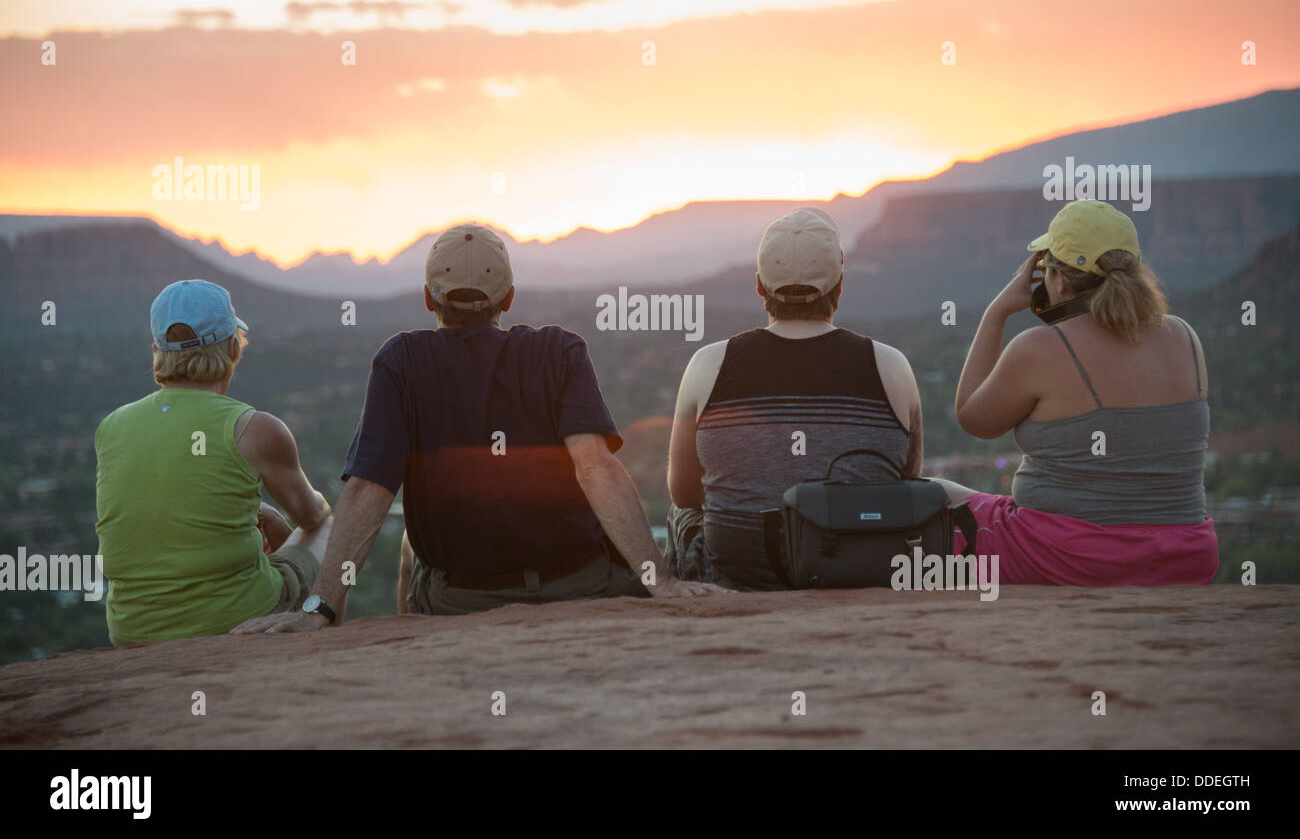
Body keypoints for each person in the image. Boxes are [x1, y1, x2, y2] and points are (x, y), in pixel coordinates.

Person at [234, 223, 725, 634]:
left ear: (429, 298)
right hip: (582, 585)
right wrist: (660, 581)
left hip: (461, 599)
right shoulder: (559, 351)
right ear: (508, 297)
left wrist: (319, 608)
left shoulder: (403, 361)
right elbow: (597, 468)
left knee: (409, 546)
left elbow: (369, 490)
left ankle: (419, 655)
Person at [951, 199, 1219, 585]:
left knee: (932, 498)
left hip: (1071, 556)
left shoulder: (1040, 347)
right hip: (1186, 555)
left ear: (1057, 279)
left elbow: (972, 418)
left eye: (1045, 267)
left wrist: (997, 311)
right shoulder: (1185, 336)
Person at [666, 207, 925, 590]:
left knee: (679, 514)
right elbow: (907, 480)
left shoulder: (708, 364)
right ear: (840, 284)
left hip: (740, 575)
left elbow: (684, 493)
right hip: (858, 569)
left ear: (759, 285)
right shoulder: (891, 365)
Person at [94, 279, 332, 646]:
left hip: (130, 631)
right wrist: (303, 510)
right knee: (331, 525)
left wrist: (258, 512)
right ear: (232, 345)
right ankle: (322, 634)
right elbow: (311, 516)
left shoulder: (111, 426)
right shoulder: (253, 428)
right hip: (236, 619)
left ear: (156, 351)